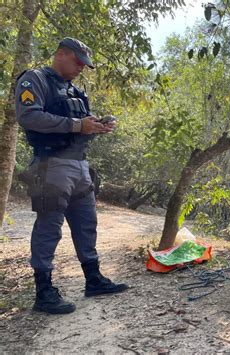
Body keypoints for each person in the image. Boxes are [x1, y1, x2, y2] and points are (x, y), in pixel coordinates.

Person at [15, 37, 128, 315]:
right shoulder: (34, 80)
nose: (81, 67)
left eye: (84, 64)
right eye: (77, 61)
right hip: (51, 165)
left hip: (79, 165)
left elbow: (81, 123)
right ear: (61, 55)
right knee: (49, 227)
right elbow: (29, 116)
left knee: (87, 223)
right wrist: (78, 125)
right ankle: (44, 292)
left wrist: (97, 124)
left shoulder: (73, 89)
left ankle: (94, 279)